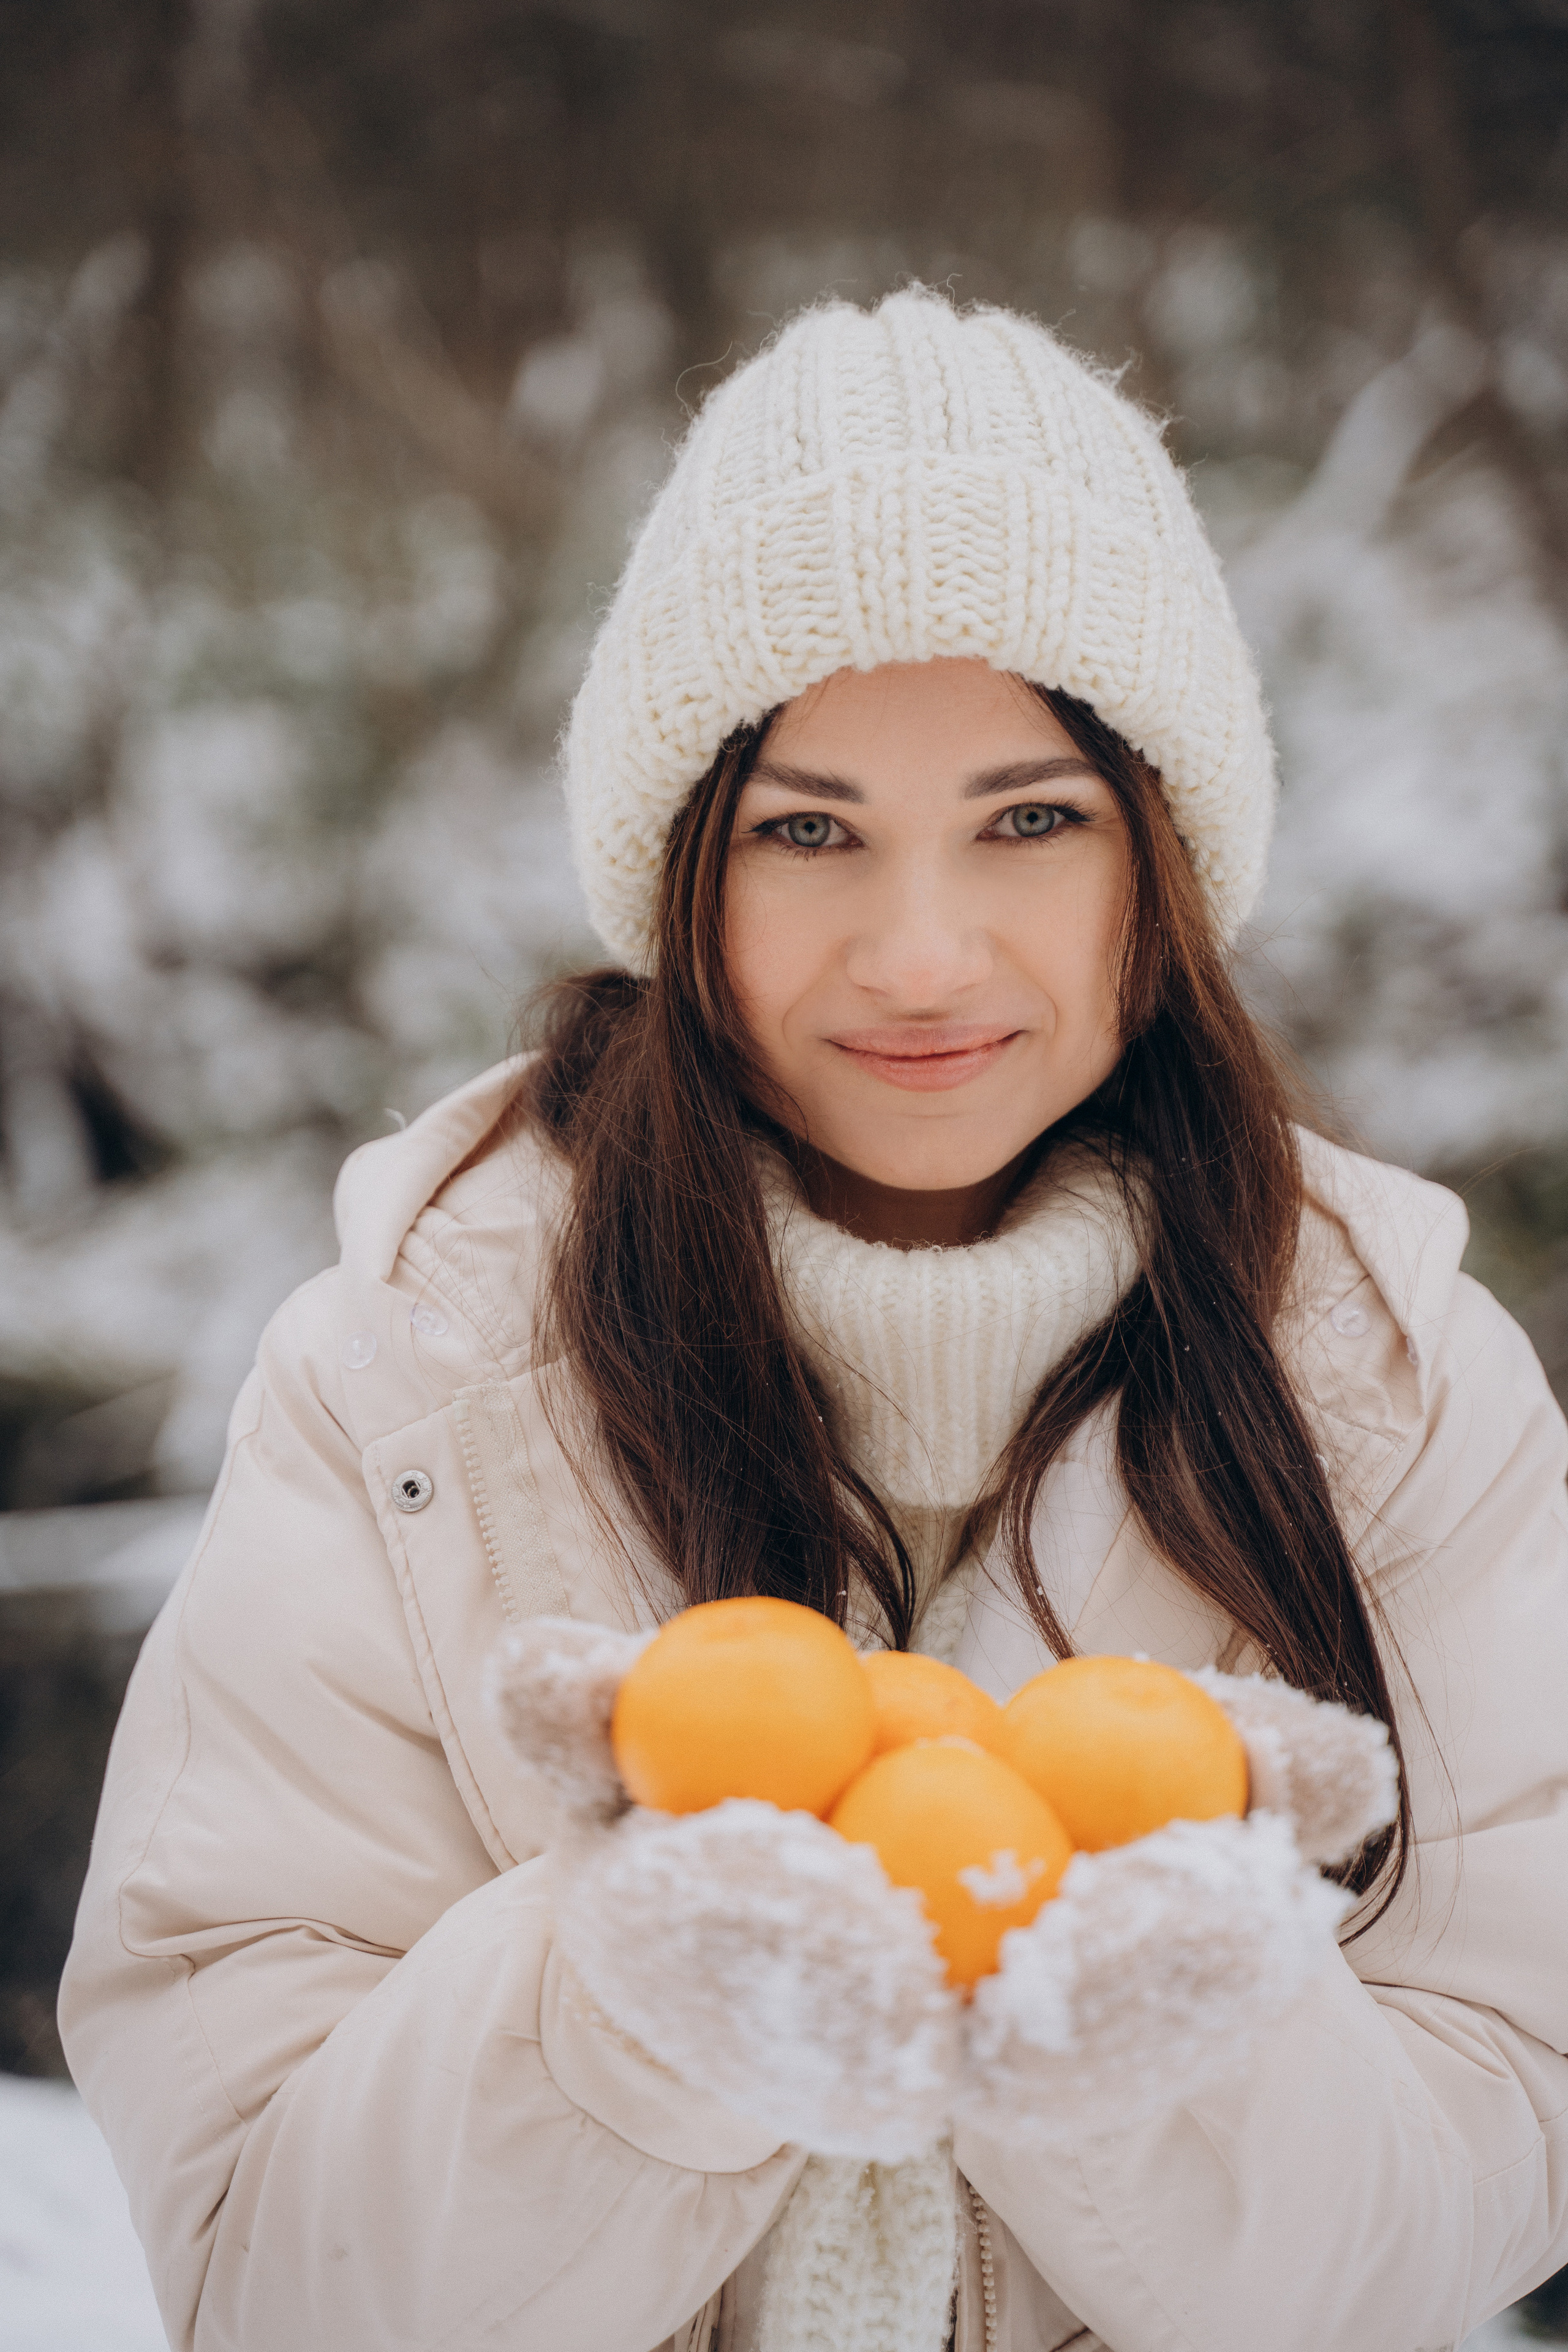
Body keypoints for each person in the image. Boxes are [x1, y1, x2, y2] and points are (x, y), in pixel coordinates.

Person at [60, 290, 1568, 2352]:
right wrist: (631, 2011)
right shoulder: (411, 1376)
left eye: (1031, 819)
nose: (920, 954)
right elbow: (263, 2272)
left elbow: (1488, 2162)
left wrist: (1130, 2030)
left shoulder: (1392, 1383)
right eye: (807, 831)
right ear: (683, 871)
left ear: (1166, 858)